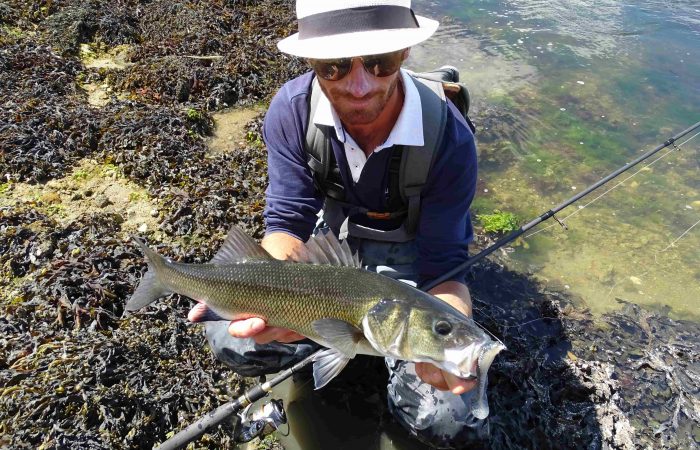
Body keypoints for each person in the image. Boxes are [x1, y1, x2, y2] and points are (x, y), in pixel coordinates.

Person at [193, 1, 485, 447]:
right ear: (309, 61)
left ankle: (366, 351)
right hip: (330, 251)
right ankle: (333, 346)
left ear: (405, 51)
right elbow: (287, 222)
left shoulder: (449, 136)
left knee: (451, 422)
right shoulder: (291, 111)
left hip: (411, 260)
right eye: (333, 67)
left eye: (379, 62)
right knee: (235, 339)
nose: (360, 85)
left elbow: (444, 265)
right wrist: (276, 301)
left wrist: (451, 332)